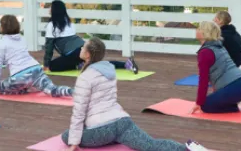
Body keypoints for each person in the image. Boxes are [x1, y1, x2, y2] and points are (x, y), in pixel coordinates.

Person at [63, 38, 206, 151]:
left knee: (66, 136)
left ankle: (109, 137)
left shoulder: (85, 77)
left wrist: (73, 143)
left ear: (87, 54)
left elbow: (79, 112)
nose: (80, 48)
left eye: (83, 47)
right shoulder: (109, 71)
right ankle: (187, 148)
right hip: (122, 121)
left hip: (102, 129)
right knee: (151, 145)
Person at [44, 0, 137, 74]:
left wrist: (46, 65)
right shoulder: (68, 23)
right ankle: (125, 64)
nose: (49, 10)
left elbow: (49, 47)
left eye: (50, 8)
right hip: (84, 46)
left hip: (74, 54)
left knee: (53, 66)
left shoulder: (51, 25)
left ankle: (79, 64)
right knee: (98, 64)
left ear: (54, 11)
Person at [0, 15, 73, 97]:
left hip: (20, 77)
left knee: (0, 87)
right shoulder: (22, 39)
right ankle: (72, 91)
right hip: (36, 69)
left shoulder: (2, 43)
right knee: (53, 89)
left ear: (2, 27)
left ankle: (26, 87)